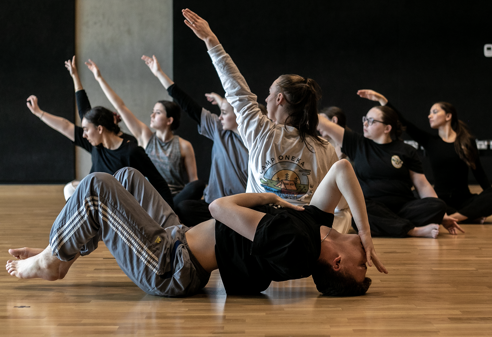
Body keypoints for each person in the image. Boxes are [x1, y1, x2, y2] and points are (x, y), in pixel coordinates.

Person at [6, 160, 388, 297]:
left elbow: (219, 207)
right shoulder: (314, 226)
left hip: (169, 267)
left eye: (362, 263)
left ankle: (52, 261)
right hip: (176, 236)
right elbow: (341, 169)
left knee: (96, 186)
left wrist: (265, 197)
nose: (367, 257)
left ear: (337, 263)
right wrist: (367, 233)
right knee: (127, 177)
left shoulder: (296, 246)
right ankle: (59, 252)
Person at [181, 9, 337, 210]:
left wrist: (210, 40)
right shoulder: (325, 148)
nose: (266, 98)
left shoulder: (261, 132)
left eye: (270, 93)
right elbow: (339, 208)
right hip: (303, 233)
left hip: (259, 230)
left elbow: (236, 89)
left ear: (279, 98)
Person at [317, 101, 464, 238]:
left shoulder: (406, 150)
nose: (366, 124)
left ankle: (387, 225)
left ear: (387, 128)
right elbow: (324, 123)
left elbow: (422, 184)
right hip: (373, 205)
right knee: (359, 210)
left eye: (372, 121)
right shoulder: (358, 144)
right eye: (365, 119)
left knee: (438, 205)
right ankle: (413, 230)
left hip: (404, 206)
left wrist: (442, 215)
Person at [358, 89, 492, 223]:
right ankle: (468, 215)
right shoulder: (430, 142)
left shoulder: (467, 142)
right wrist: (383, 101)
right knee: (414, 196)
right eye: (430, 113)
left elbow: (480, 174)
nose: (429, 116)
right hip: (440, 199)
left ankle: (456, 217)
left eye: (435, 112)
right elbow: (405, 124)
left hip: (464, 199)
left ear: (448, 116)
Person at [140, 54, 249, 226]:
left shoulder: (256, 141)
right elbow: (188, 104)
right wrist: (159, 73)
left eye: (224, 113)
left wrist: (222, 101)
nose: (219, 117)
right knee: (184, 208)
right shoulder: (219, 129)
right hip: (213, 206)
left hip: (240, 208)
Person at [82, 58, 205, 206]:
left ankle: (174, 212)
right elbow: (120, 106)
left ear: (169, 120)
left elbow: (193, 181)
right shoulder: (146, 137)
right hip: (151, 197)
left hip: (175, 199)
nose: (152, 115)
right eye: (152, 112)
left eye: (158, 113)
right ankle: (171, 214)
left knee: (197, 186)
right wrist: (99, 78)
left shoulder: (184, 145)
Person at [26, 95, 173, 206]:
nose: (84, 135)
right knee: (70, 188)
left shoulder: (131, 151)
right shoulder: (96, 146)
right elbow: (66, 125)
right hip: (98, 205)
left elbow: (158, 182)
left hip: (121, 208)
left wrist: (171, 217)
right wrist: (39, 112)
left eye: (86, 130)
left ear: (100, 129)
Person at [63, 56, 137, 199]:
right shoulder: (98, 142)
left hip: (116, 196)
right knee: (70, 189)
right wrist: (75, 77)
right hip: (96, 191)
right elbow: (84, 112)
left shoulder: (129, 145)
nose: (85, 134)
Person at [319, 107, 352, 234]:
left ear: (334, 120)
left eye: (321, 121)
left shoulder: (350, 146)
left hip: (346, 196)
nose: (318, 126)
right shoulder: (320, 145)